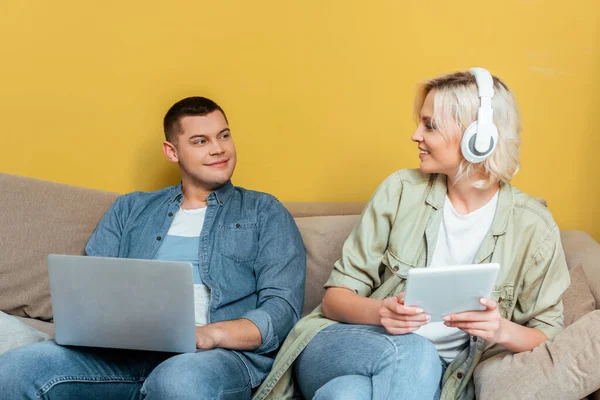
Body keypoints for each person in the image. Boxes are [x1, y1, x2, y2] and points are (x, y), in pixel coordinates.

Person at [253, 68, 570, 400]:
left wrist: (499, 328)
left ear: (478, 137)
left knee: (347, 395)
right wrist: (381, 313)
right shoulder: (400, 191)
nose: (415, 135)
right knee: (415, 352)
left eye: (429, 125)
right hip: (347, 345)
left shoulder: (533, 225)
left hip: (439, 379)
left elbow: (548, 336)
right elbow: (334, 300)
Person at [0, 96, 306, 399]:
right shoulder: (130, 209)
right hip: (123, 357)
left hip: (214, 357)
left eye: (224, 135)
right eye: (200, 141)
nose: (219, 149)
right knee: (16, 367)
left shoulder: (264, 211)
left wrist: (210, 335)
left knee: (178, 382)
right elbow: (91, 295)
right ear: (172, 152)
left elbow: (282, 309)